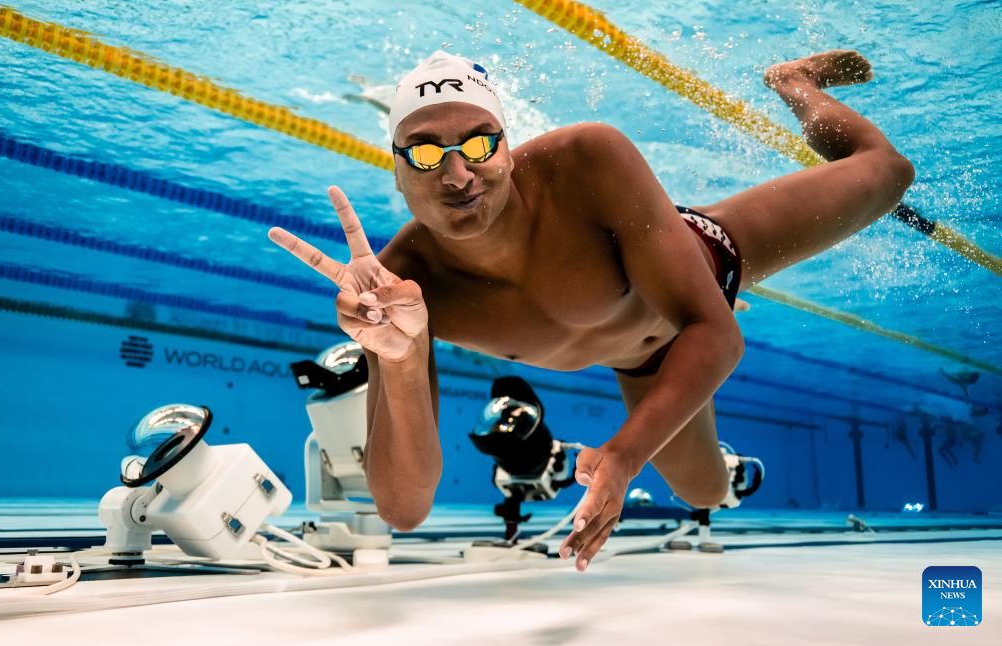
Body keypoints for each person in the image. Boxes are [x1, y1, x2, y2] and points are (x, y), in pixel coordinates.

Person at [269, 49, 914, 571]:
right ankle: (695, 375)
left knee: (888, 172)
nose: (459, 175)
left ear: (508, 148)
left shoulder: (588, 158)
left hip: (708, 259)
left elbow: (716, 336)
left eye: (480, 144)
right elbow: (404, 508)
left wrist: (624, 455)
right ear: (397, 171)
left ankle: (794, 82)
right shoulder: (402, 293)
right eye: (426, 152)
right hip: (642, 357)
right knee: (705, 492)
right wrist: (403, 359)